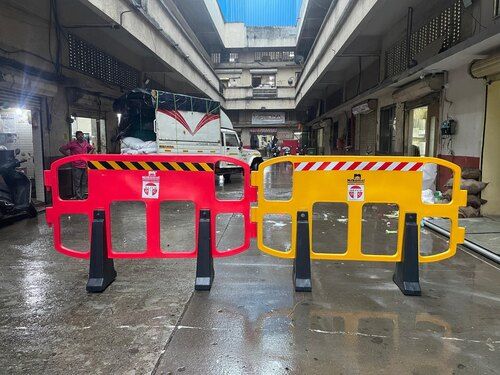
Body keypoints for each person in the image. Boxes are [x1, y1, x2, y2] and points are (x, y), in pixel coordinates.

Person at [59, 131, 94, 199]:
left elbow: (92, 148)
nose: (81, 136)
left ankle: (83, 195)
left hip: (85, 165)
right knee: (77, 182)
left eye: (82, 135)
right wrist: (69, 156)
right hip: (76, 165)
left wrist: (88, 155)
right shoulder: (72, 143)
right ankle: (78, 196)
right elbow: (61, 149)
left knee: (84, 182)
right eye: (79, 135)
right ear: (76, 136)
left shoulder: (85, 143)